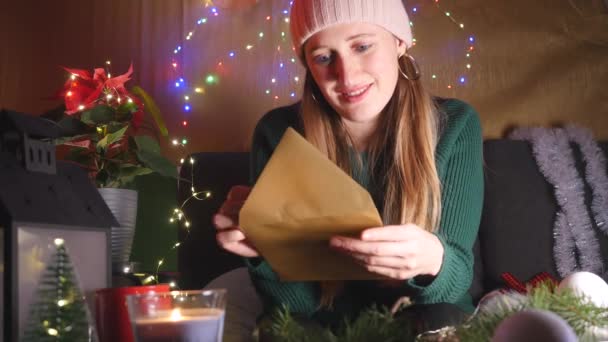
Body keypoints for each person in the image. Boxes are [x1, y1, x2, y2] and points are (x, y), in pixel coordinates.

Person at [213, 0, 484, 336]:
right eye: (324, 57)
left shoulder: (455, 124)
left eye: (362, 46)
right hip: (323, 326)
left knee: (443, 318)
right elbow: (292, 308)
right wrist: (263, 253)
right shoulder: (277, 132)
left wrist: (433, 262)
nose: (346, 75)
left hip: (424, 319)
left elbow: (454, 290)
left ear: (400, 41)